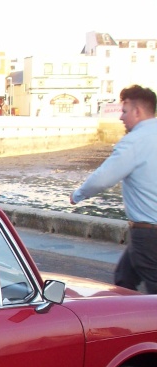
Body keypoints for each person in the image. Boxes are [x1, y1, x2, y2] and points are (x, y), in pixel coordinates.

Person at [71, 84, 157, 293]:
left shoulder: (134, 141)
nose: (120, 117)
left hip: (148, 232)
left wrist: (78, 195)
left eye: (124, 111)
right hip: (147, 231)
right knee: (124, 277)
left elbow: (103, 178)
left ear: (138, 111)